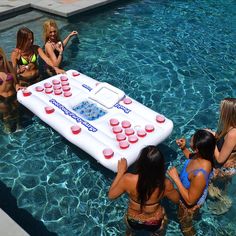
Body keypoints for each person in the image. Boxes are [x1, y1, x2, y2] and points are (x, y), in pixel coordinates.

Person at [108, 145, 180, 236]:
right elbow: (177, 200)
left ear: (140, 163)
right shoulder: (165, 184)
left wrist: (121, 172)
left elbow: (111, 196)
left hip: (133, 220)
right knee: (159, 230)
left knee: (130, 232)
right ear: (160, 165)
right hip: (154, 221)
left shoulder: (128, 179)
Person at [168, 129, 216, 236]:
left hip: (188, 206)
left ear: (198, 149)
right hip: (191, 191)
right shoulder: (202, 156)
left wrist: (175, 178)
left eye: (192, 139)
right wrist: (184, 148)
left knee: (186, 227)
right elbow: (192, 158)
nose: (190, 138)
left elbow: (190, 201)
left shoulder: (200, 174)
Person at [208, 98, 236, 178]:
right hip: (220, 166)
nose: (219, 111)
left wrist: (211, 140)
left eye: (221, 109)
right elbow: (222, 139)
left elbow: (220, 159)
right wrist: (213, 134)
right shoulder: (227, 126)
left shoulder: (233, 134)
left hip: (224, 170)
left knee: (213, 189)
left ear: (227, 113)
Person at [0, 47, 22, 133]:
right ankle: (8, 130)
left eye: (0, 58)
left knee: (16, 113)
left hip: (13, 96)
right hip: (1, 100)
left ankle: (18, 126)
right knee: (6, 117)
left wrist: (17, 85)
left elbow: (15, 81)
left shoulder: (8, 65)